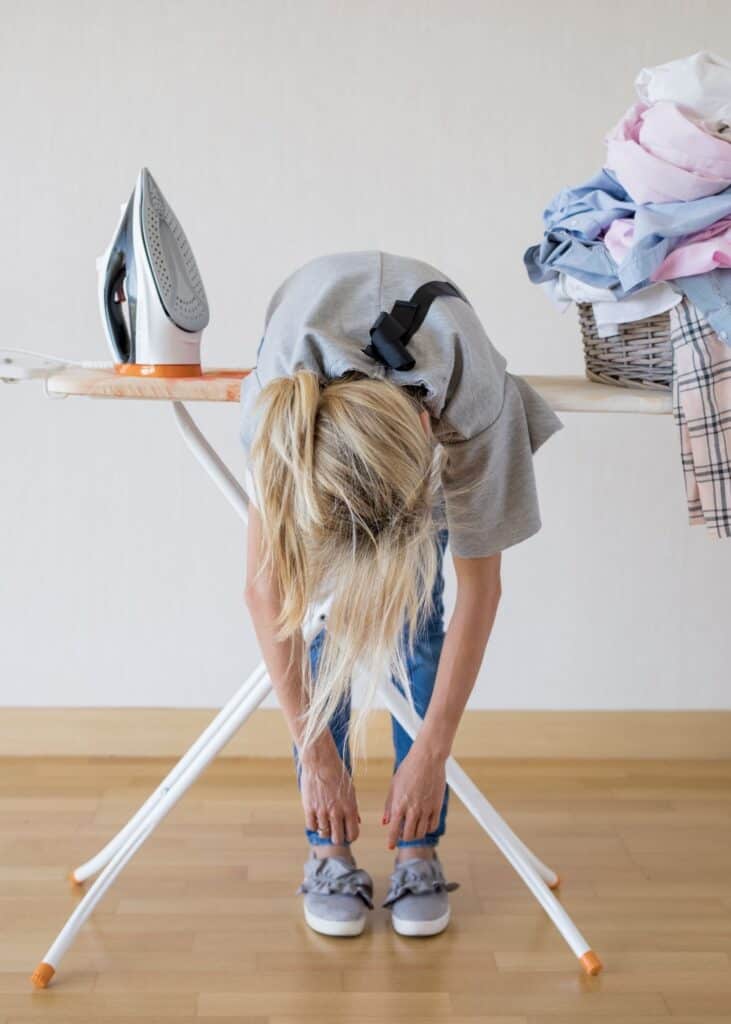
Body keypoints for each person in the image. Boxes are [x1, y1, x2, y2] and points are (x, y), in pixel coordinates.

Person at [240, 251, 563, 938]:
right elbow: (267, 594)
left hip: (437, 395)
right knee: (318, 612)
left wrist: (432, 751)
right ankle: (327, 847)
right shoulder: (282, 409)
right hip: (316, 390)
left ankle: (417, 842)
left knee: (417, 619)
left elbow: (480, 591)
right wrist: (316, 756)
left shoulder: (474, 408)